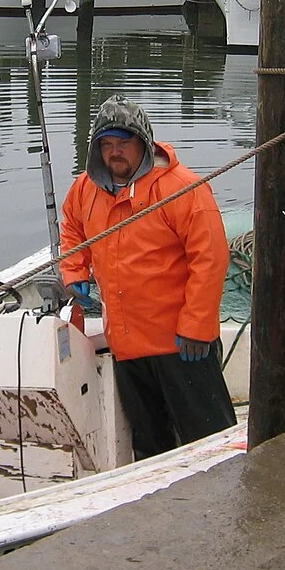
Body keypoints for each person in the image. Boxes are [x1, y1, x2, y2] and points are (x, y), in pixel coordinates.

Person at [59, 94, 236, 459]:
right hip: (127, 346)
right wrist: (74, 270)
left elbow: (211, 258)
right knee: (150, 447)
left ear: (144, 141)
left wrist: (198, 326)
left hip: (182, 345)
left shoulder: (184, 188)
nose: (115, 152)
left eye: (124, 142)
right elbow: (73, 230)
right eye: (106, 144)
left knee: (211, 443)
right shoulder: (84, 189)